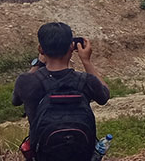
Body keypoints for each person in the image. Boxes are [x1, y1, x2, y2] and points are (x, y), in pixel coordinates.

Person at [13, 22, 109, 161]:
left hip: (43, 155)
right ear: (71, 47)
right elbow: (104, 95)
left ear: (41, 49)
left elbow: (15, 101)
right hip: (82, 154)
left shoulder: (26, 81)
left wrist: (38, 63)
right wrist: (86, 61)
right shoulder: (86, 80)